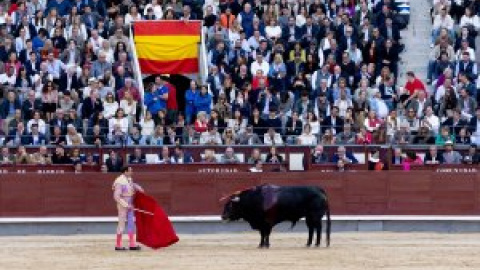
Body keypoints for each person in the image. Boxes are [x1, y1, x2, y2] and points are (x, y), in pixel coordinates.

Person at [112, 166, 144, 251]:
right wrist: (126, 205)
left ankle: (132, 244)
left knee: (131, 223)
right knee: (121, 223)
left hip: (130, 203)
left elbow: (132, 185)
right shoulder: (119, 181)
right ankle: (118, 245)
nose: (132, 172)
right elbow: (116, 196)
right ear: (125, 172)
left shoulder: (129, 179)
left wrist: (138, 187)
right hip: (123, 204)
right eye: (130, 171)